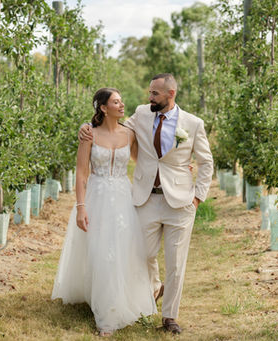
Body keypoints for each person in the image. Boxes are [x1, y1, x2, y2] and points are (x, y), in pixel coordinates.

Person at [79, 73, 214, 334]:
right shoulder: (142, 113)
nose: (149, 97)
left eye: (154, 93)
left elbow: (206, 162)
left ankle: (169, 317)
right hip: (145, 198)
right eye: (149, 92)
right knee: (142, 254)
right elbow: (111, 125)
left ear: (170, 94)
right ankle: (154, 287)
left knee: (176, 262)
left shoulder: (193, 124)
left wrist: (198, 196)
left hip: (181, 201)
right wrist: (86, 126)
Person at [51, 88, 157, 337]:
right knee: (101, 251)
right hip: (97, 196)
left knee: (121, 249)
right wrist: (80, 206)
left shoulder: (129, 134)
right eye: (116, 102)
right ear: (103, 107)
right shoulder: (89, 134)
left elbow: (145, 161)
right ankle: (106, 314)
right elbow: (81, 172)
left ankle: (122, 299)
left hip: (123, 197)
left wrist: (179, 165)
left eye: (122, 101)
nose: (122, 105)